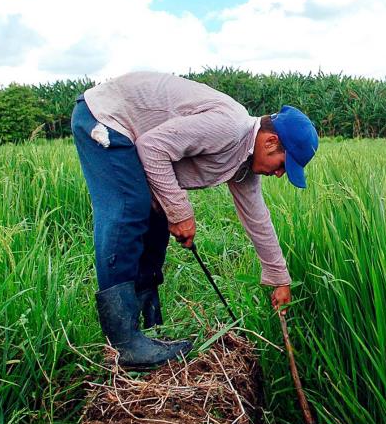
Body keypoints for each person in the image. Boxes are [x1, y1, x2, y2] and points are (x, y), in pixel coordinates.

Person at [71, 71, 318, 368]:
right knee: (130, 208)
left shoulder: (244, 163)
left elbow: (258, 219)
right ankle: (125, 343)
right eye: (282, 165)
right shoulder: (230, 127)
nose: (279, 174)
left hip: (128, 129)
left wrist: (279, 279)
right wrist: (181, 213)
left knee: (156, 212)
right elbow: (152, 148)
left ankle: (149, 325)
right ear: (270, 142)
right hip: (106, 118)